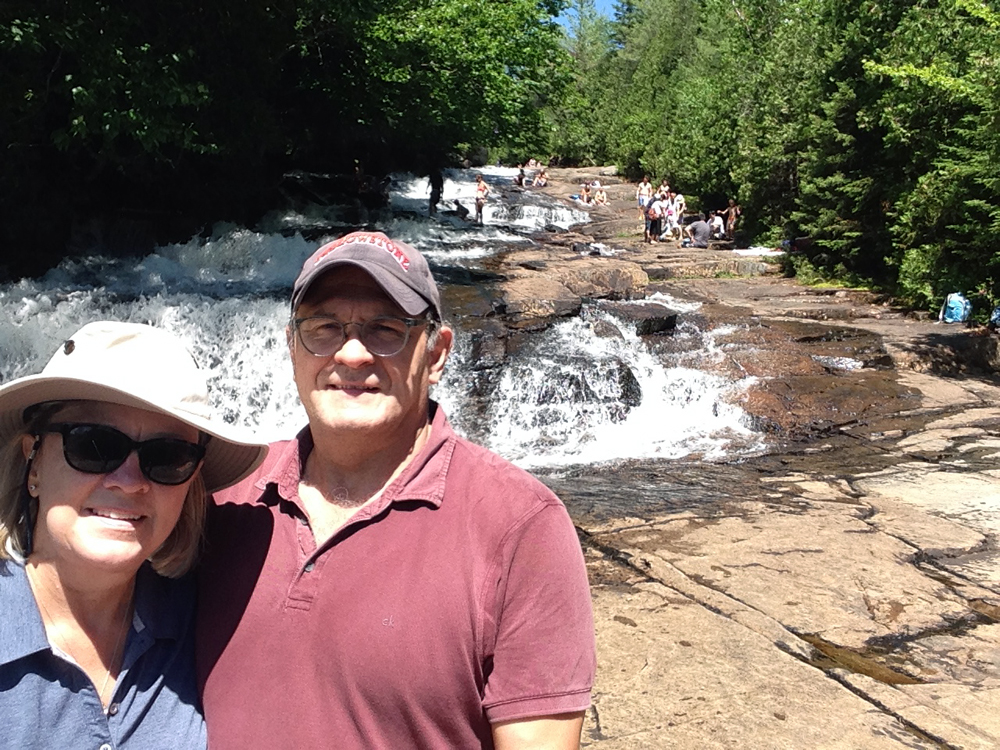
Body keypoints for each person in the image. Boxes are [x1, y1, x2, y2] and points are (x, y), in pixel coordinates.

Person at [196, 231, 596, 749]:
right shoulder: (223, 494)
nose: (353, 353)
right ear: (292, 346)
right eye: (324, 327)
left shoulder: (522, 527)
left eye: (386, 329)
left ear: (436, 353)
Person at [0, 321, 267, 750]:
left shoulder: (200, 620)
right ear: (33, 463)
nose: (129, 480)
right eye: (94, 445)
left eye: (168, 457)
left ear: (191, 482)